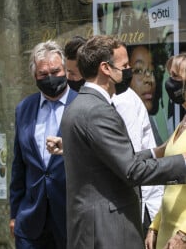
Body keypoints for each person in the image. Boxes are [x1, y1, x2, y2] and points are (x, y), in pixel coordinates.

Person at [61, 35, 186, 249]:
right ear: (106, 68)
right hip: (107, 232)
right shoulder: (98, 110)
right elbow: (131, 170)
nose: (128, 71)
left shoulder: (82, 104)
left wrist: (156, 152)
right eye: (125, 65)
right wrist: (182, 162)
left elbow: (116, 160)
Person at [9, 40, 77, 249]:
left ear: (66, 70)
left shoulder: (82, 105)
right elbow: (19, 166)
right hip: (31, 220)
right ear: (34, 76)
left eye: (56, 71)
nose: (50, 77)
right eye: (43, 73)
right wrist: (15, 213)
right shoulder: (24, 109)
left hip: (71, 217)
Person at [145, 52, 186, 249]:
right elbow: (172, 188)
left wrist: (184, 234)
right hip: (168, 232)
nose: (170, 83)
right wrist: (155, 226)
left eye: (176, 78)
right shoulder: (182, 123)